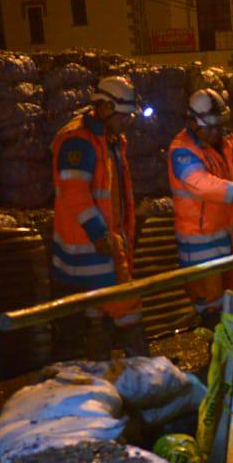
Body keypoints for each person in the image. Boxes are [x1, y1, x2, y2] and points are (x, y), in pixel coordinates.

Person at [50, 75, 148, 359]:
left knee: (97, 313)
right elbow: (75, 192)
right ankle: (147, 376)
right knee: (126, 308)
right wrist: (99, 234)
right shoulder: (78, 142)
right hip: (94, 247)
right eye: (122, 116)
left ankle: (102, 372)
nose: (126, 122)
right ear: (104, 108)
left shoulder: (108, 139)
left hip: (105, 244)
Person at [167, 87, 233, 328]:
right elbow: (201, 184)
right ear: (194, 123)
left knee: (232, 300)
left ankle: (231, 359)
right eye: (212, 127)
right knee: (211, 309)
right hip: (200, 245)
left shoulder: (225, 140)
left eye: (220, 125)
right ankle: (215, 362)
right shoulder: (182, 151)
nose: (217, 131)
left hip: (228, 238)